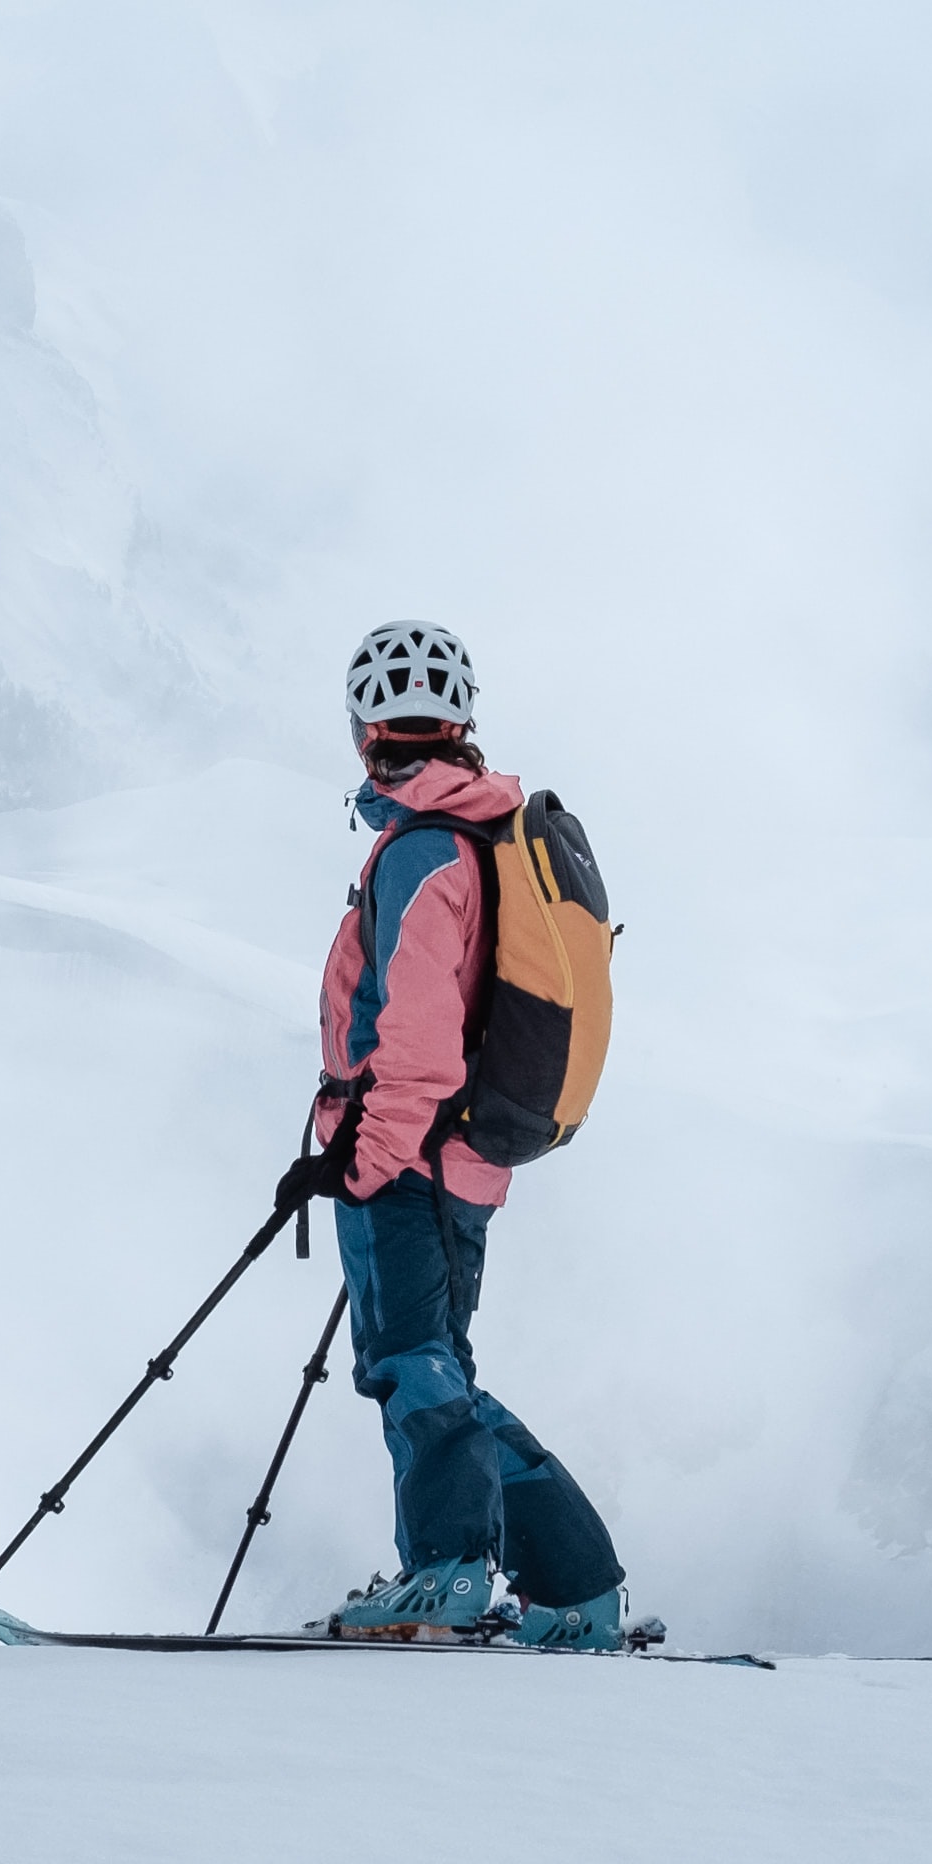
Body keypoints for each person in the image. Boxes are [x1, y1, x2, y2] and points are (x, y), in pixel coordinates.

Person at [284, 620, 635, 1649]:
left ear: (363, 732)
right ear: (462, 721)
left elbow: (420, 1042)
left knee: (412, 1366)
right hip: (461, 1158)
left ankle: (444, 1573)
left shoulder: (424, 849)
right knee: (436, 1367)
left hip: (412, 1160)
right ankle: (575, 1588)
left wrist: (359, 1160)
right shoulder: (475, 831)